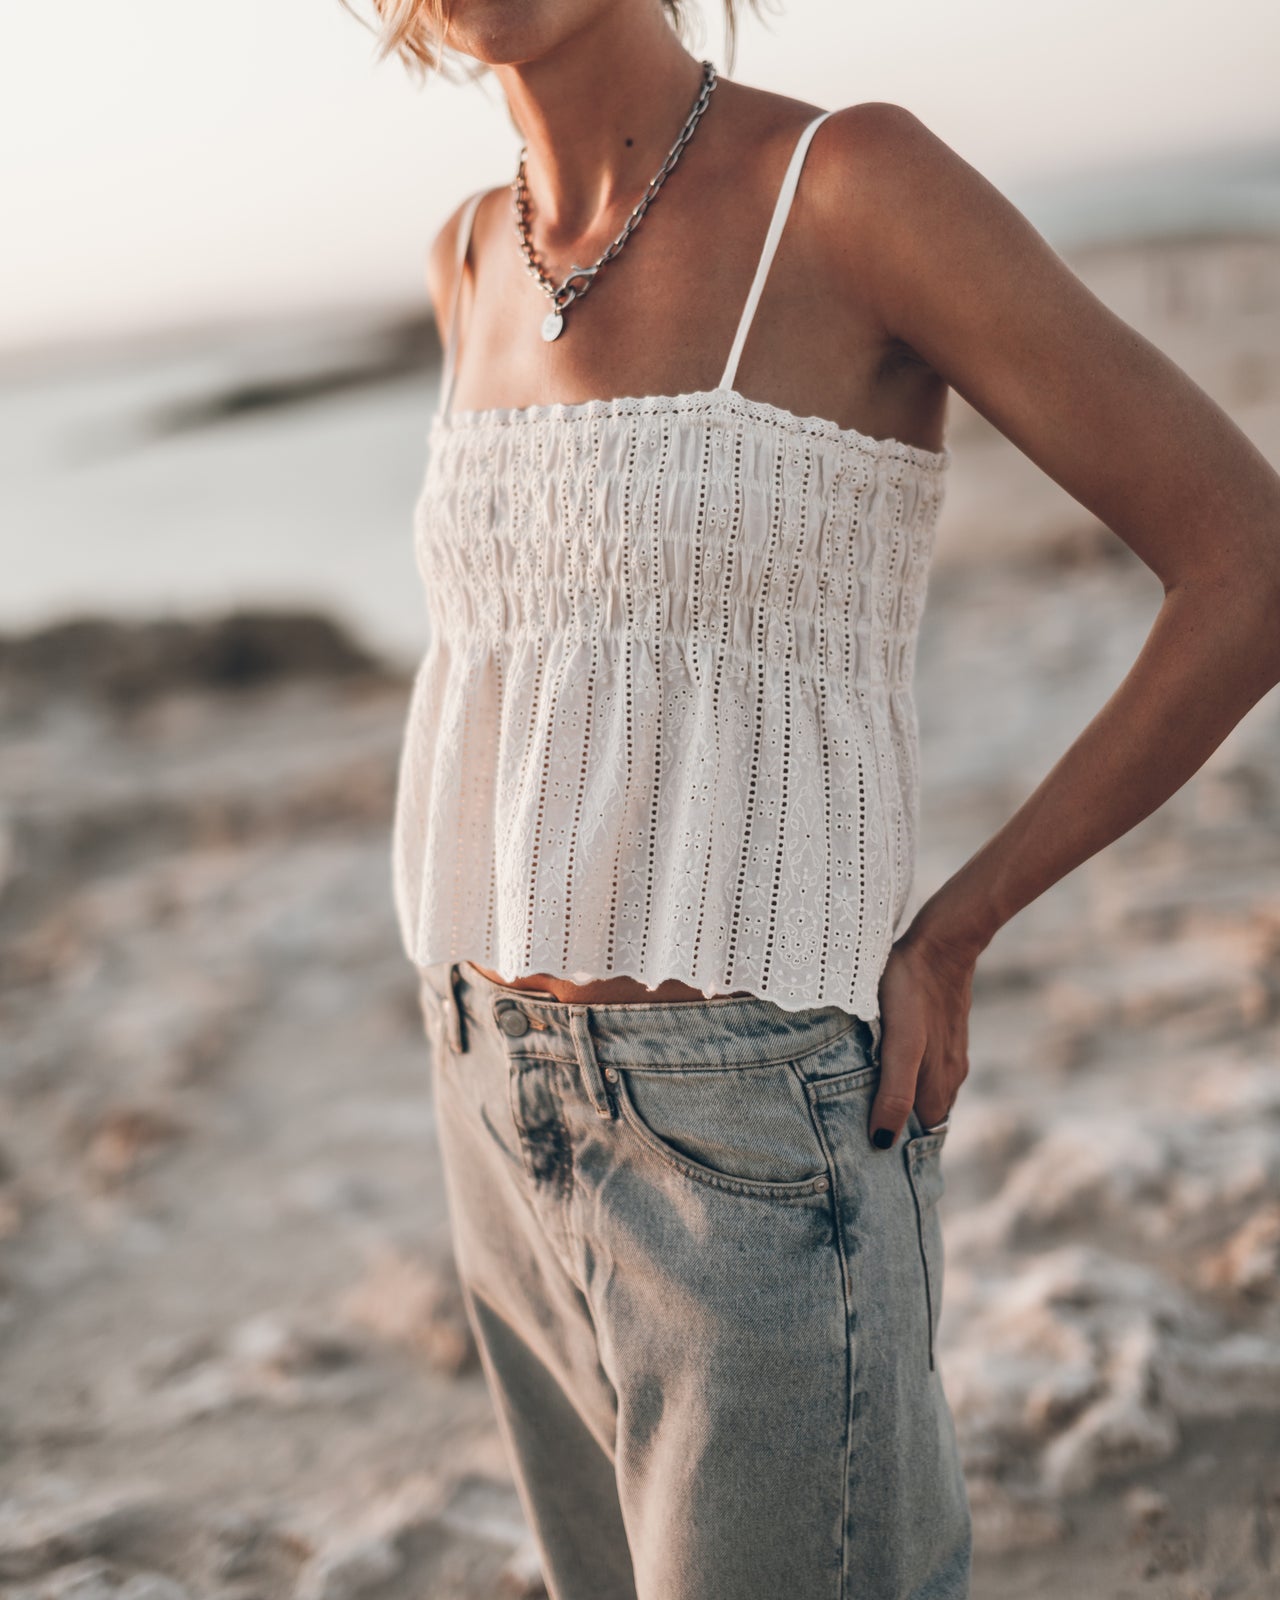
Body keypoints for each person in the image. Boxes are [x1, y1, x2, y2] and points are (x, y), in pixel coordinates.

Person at [355, 1, 1280, 1595]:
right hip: (485, 1108)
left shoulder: (849, 186)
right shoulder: (463, 258)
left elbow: (1249, 571)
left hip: (750, 1140)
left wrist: (957, 930)